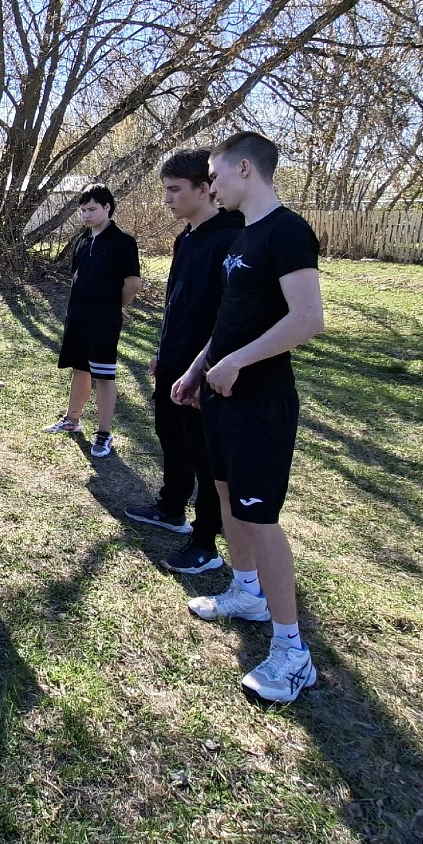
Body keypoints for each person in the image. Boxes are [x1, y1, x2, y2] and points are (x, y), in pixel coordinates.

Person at [170, 131, 325, 704]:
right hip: (218, 391)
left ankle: (292, 652)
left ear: (243, 169)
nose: (209, 184)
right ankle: (246, 591)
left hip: (261, 402)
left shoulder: (288, 232)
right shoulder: (243, 234)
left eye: (214, 174)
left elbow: (308, 319)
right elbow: (231, 319)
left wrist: (235, 363)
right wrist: (198, 367)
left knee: (261, 517)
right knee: (226, 494)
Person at [124, 150, 243, 575]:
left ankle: (205, 541)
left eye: (175, 190)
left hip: (207, 369)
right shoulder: (185, 238)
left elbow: (230, 316)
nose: (168, 199)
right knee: (170, 435)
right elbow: (179, 303)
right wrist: (163, 351)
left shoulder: (232, 237)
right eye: (166, 190)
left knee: (206, 455)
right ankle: (171, 506)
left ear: (204, 188)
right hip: (174, 361)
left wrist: (203, 370)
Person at [44, 182, 142, 458]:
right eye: (82, 210)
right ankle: (72, 420)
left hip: (103, 322)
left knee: (103, 375)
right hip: (77, 318)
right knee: (80, 368)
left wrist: (115, 307)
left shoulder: (123, 242)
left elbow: (132, 283)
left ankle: (104, 434)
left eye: (92, 209)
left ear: (107, 208)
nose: (86, 215)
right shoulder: (83, 240)